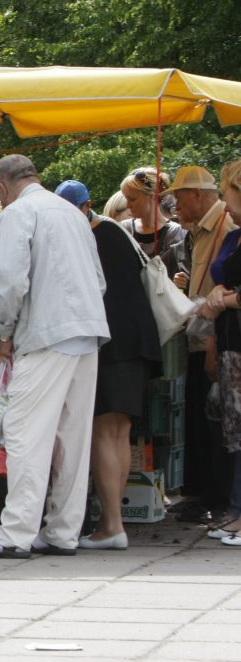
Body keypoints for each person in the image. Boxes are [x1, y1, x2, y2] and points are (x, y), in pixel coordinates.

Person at [0, 155, 109, 559]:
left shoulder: (16, 213)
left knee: (27, 434)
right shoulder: (72, 213)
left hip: (46, 334)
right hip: (87, 330)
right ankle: (63, 530)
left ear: (2, 187)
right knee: (72, 439)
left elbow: (11, 282)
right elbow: (98, 280)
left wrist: (4, 331)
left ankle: (15, 532)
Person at [55, 180, 161, 551]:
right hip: (138, 341)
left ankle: (111, 525)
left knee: (103, 431)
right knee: (119, 433)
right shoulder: (117, 232)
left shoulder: (83, 239)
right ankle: (113, 523)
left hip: (109, 342)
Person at [168, 165, 238, 524]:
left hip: (217, 339)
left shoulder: (225, 226)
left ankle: (220, 499)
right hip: (203, 336)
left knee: (219, 424)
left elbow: (225, 291)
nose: (175, 206)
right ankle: (205, 495)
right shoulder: (198, 231)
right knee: (204, 418)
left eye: (179, 198)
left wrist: (212, 345)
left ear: (198, 195)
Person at [198, 160, 241, 545]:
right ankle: (235, 508)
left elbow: (225, 294)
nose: (223, 199)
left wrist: (226, 299)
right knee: (233, 431)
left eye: (226, 190)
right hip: (229, 344)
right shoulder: (233, 238)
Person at [119, 167, 186, 262]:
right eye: (126, 199)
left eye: (132, 199)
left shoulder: (175, 233)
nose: (128, 205)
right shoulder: (125, 228)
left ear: (152, 196)